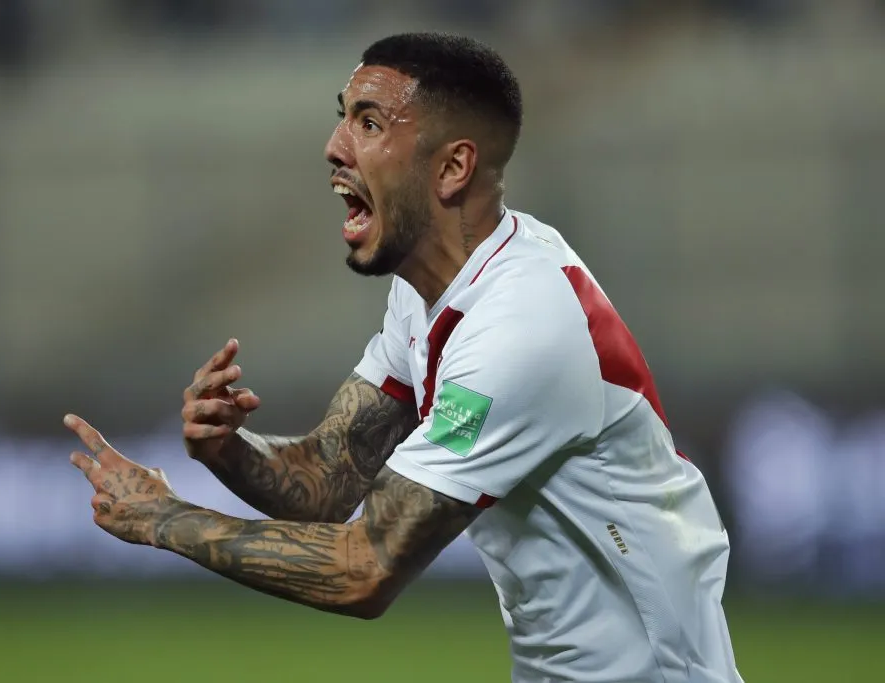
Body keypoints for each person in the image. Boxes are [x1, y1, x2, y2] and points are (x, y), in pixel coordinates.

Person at [65, 32, 744, 683]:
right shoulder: (428, 292)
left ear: (452, 167)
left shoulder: (523, 324)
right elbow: (330, 475)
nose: (333, 148)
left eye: (367, 123)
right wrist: (228, 451)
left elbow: (366, 568)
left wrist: (166, 519)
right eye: (342, 119)